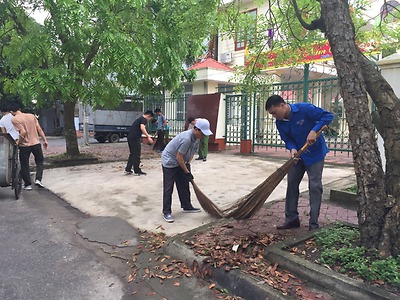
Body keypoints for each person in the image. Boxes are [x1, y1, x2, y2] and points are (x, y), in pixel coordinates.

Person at [265, 95, 333, 231]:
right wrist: (292, 148)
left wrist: (314, 130)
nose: (274, 116)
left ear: (282, 105)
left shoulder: (305, 109)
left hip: (315, 154)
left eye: (274, 112)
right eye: (271, 114)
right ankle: (291, 219)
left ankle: (314, 223)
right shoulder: (280, 122)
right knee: (292, 186)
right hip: (298, 156)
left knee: (314, 187)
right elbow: (287, 138)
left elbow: (328, 116)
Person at [161, 118, 213, 223]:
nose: (204, 136)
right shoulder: (186, 138)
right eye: (203, 133)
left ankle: (186, 206)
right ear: (196, 129)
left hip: (181, 161)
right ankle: (166, 212)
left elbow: (191, 152)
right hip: (170, 162)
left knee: (184, 184)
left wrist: (187, 164)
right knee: (169, 187)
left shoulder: (197, 139)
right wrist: (186, 171)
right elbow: (178, 156)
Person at [9, 102, 48, 190]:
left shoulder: (15, 119)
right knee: (40, 161)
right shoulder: (31, 116)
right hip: (36, 143)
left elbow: (23, 132)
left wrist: (17, 143)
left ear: (12, 111)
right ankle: (38, 179)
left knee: (24, 164)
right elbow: (39, 129)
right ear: (19, 109)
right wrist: (45, 140)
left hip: (24, 146)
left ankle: (28, 184)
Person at [125, 110, 154, 176]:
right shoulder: (143, 119)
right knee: (137, 154)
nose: (149, 120)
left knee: (132, 154)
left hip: (130, 137)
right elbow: (142, 128)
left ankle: (128, 169)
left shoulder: (139, 119)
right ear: (148, 116)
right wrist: (148, 136)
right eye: (150, 119)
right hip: (135, 138)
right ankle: (137, 170)